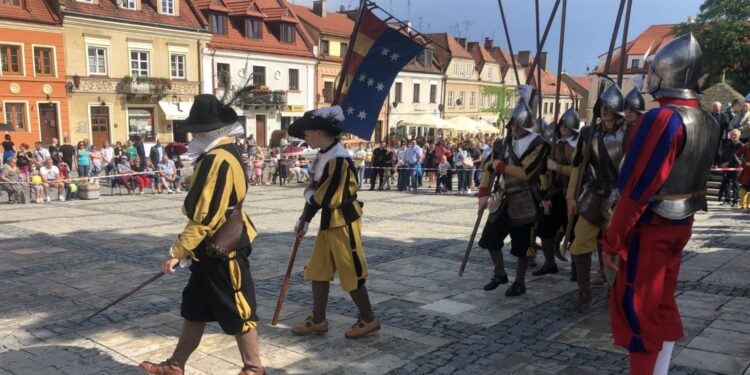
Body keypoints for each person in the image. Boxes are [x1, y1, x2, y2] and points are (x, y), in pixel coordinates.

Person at [602, 34, 719, 375]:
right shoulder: (708, 121)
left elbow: (638, 188)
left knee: (639, 309)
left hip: (652, 225)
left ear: (666, 72)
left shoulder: (664, 118)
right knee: (662, 304)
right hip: (681, 223)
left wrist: (614, 239)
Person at [139, 94, 264, 375]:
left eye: (197, 129)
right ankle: (175, 365)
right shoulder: (225, 151)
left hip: (222, 247)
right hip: (208, 249)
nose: (193, 134)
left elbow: (205, 216)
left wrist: (177, 252)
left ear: (209, 130)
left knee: (237, 307)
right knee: (195, 306)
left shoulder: (218, 159)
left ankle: (254, 368)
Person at [288, 106, 380, 339]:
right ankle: (318, 320)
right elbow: (317, 192)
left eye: (307, 134)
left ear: (319, 133)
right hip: (329, 222)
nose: (305, 138)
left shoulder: (338, 159)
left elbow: (329, 197)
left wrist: (308, 197)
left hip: (343, 222)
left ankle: (368, 319)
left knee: (351, 271)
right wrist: (304, 220)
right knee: (318, 270)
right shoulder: (324, 155)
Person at [477, 91, 549, 297]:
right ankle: (499, 273)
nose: (514, 127)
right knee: (490, 239)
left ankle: (520, 281)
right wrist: (483, 194)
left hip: (525, 199)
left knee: (522, 246)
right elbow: (489, 168)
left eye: (517, 124)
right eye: (512, 124)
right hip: (504, 196)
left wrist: (502, 166)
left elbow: (527, 172)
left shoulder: (539, 145)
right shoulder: (502, 143)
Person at [566, 82, 627, 309]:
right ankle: (584, 294)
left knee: (614, 248)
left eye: (609, 107)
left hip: (619, 195)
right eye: (602, 106)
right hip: (594, 193)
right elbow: (577, 166)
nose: (604, 110)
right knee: (579, 242)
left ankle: (615, 295)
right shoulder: (589, 133)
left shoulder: (628, 134)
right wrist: (571, 197)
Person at [534, 109, 580, 278]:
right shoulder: (554, 145)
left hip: (573, 194)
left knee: (575, 234)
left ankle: (577, 268)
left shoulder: (579, 147)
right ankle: (549, 262)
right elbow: (545, 171)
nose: (564, 128)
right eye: (562, 125)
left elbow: (578, 171)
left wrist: (557, 167)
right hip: (554, 193)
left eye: (567, 125)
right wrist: (545, 195)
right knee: (545, 229)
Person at [717, 129, 743, 206]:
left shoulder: (740, 145)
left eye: (735, 135)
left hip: (735, 167)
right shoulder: (727, 144)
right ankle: (727, 199)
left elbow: (740, 158)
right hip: (726, 167)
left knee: (735, 184)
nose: (733, 136)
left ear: (739, 136)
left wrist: (728, 163)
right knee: (726, 183)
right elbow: (722, 155)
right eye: (732, 134)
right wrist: (721, 164)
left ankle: (735, 200)